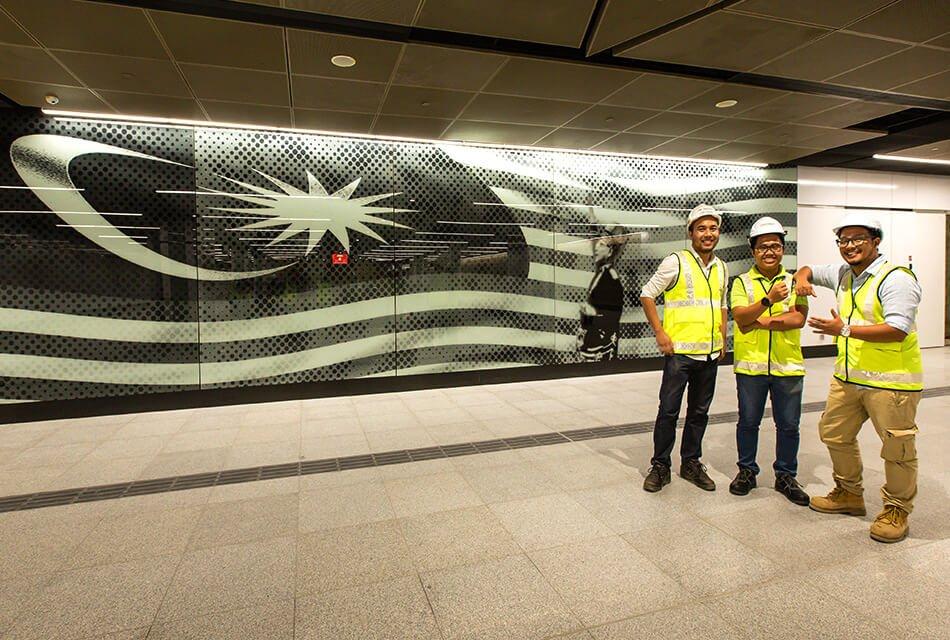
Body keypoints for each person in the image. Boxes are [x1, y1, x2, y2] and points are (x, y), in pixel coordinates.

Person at [793, 212, 923, 543]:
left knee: (897, 449)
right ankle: (849, 494)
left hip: (891, 382)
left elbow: (897, 329)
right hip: (849, 378)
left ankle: (896, 510)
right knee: (834, 433)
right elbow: (807, 268)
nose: (849, 246)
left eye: (858, 239)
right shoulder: (843, 273)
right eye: (844, 240)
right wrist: (802, 279)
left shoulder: (896, 278)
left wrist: (844, 330)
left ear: (876, 241)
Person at [640, 203, 727, 492]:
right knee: (668, 411)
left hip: (709, 354)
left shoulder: (721, 267)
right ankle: (660, 466)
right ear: (691, 233)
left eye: (713, 228)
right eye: (701, 228)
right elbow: (647, 294)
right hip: (680, 354)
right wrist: (660, 332)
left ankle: (691, 463)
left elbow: (721, 304)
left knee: (699, 413)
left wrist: (723, 336)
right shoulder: (676, 261)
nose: (708, 233)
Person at [728, 217, 810, 506]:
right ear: (753, 251)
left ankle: (786, 475)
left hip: (788, 365)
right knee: (748, 422)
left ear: (783, 249)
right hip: (750, 367)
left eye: (775, 245)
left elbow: (798, 319)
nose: (769, 252)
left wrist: (758, 322)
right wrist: (768, 300)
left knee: (788, 425)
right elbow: (740, 316)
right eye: (763, 247)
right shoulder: (742, 282)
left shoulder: (795, 282)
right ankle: (747, 471)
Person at [579, 236, 625, 361]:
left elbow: (614, 315)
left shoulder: (612, 278)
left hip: (601, 347)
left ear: (610, 251)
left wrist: (593, 314)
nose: (596, 248)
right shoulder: (601, 273)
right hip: (591, 342)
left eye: (601, 245)